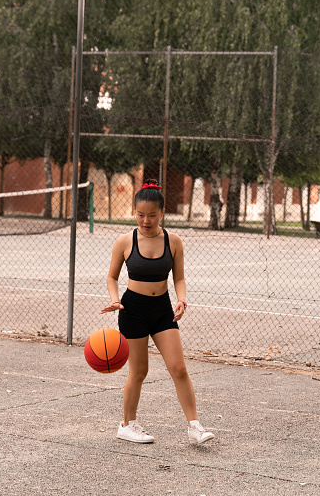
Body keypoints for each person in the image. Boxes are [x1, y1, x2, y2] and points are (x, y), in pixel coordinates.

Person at [101, 179, 214, 445]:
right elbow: (111, 277)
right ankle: (127, 425)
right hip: (133, 310)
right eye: (140, 215)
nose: (145, 220)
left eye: (152, 215)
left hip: (163, 309)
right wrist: (115, 300)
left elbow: (180, 279)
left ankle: (194, 427)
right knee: (139, 372)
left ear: (162, 213)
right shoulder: (124, 241)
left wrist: (182, 300)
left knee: (179, 368)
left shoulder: (173, 241)